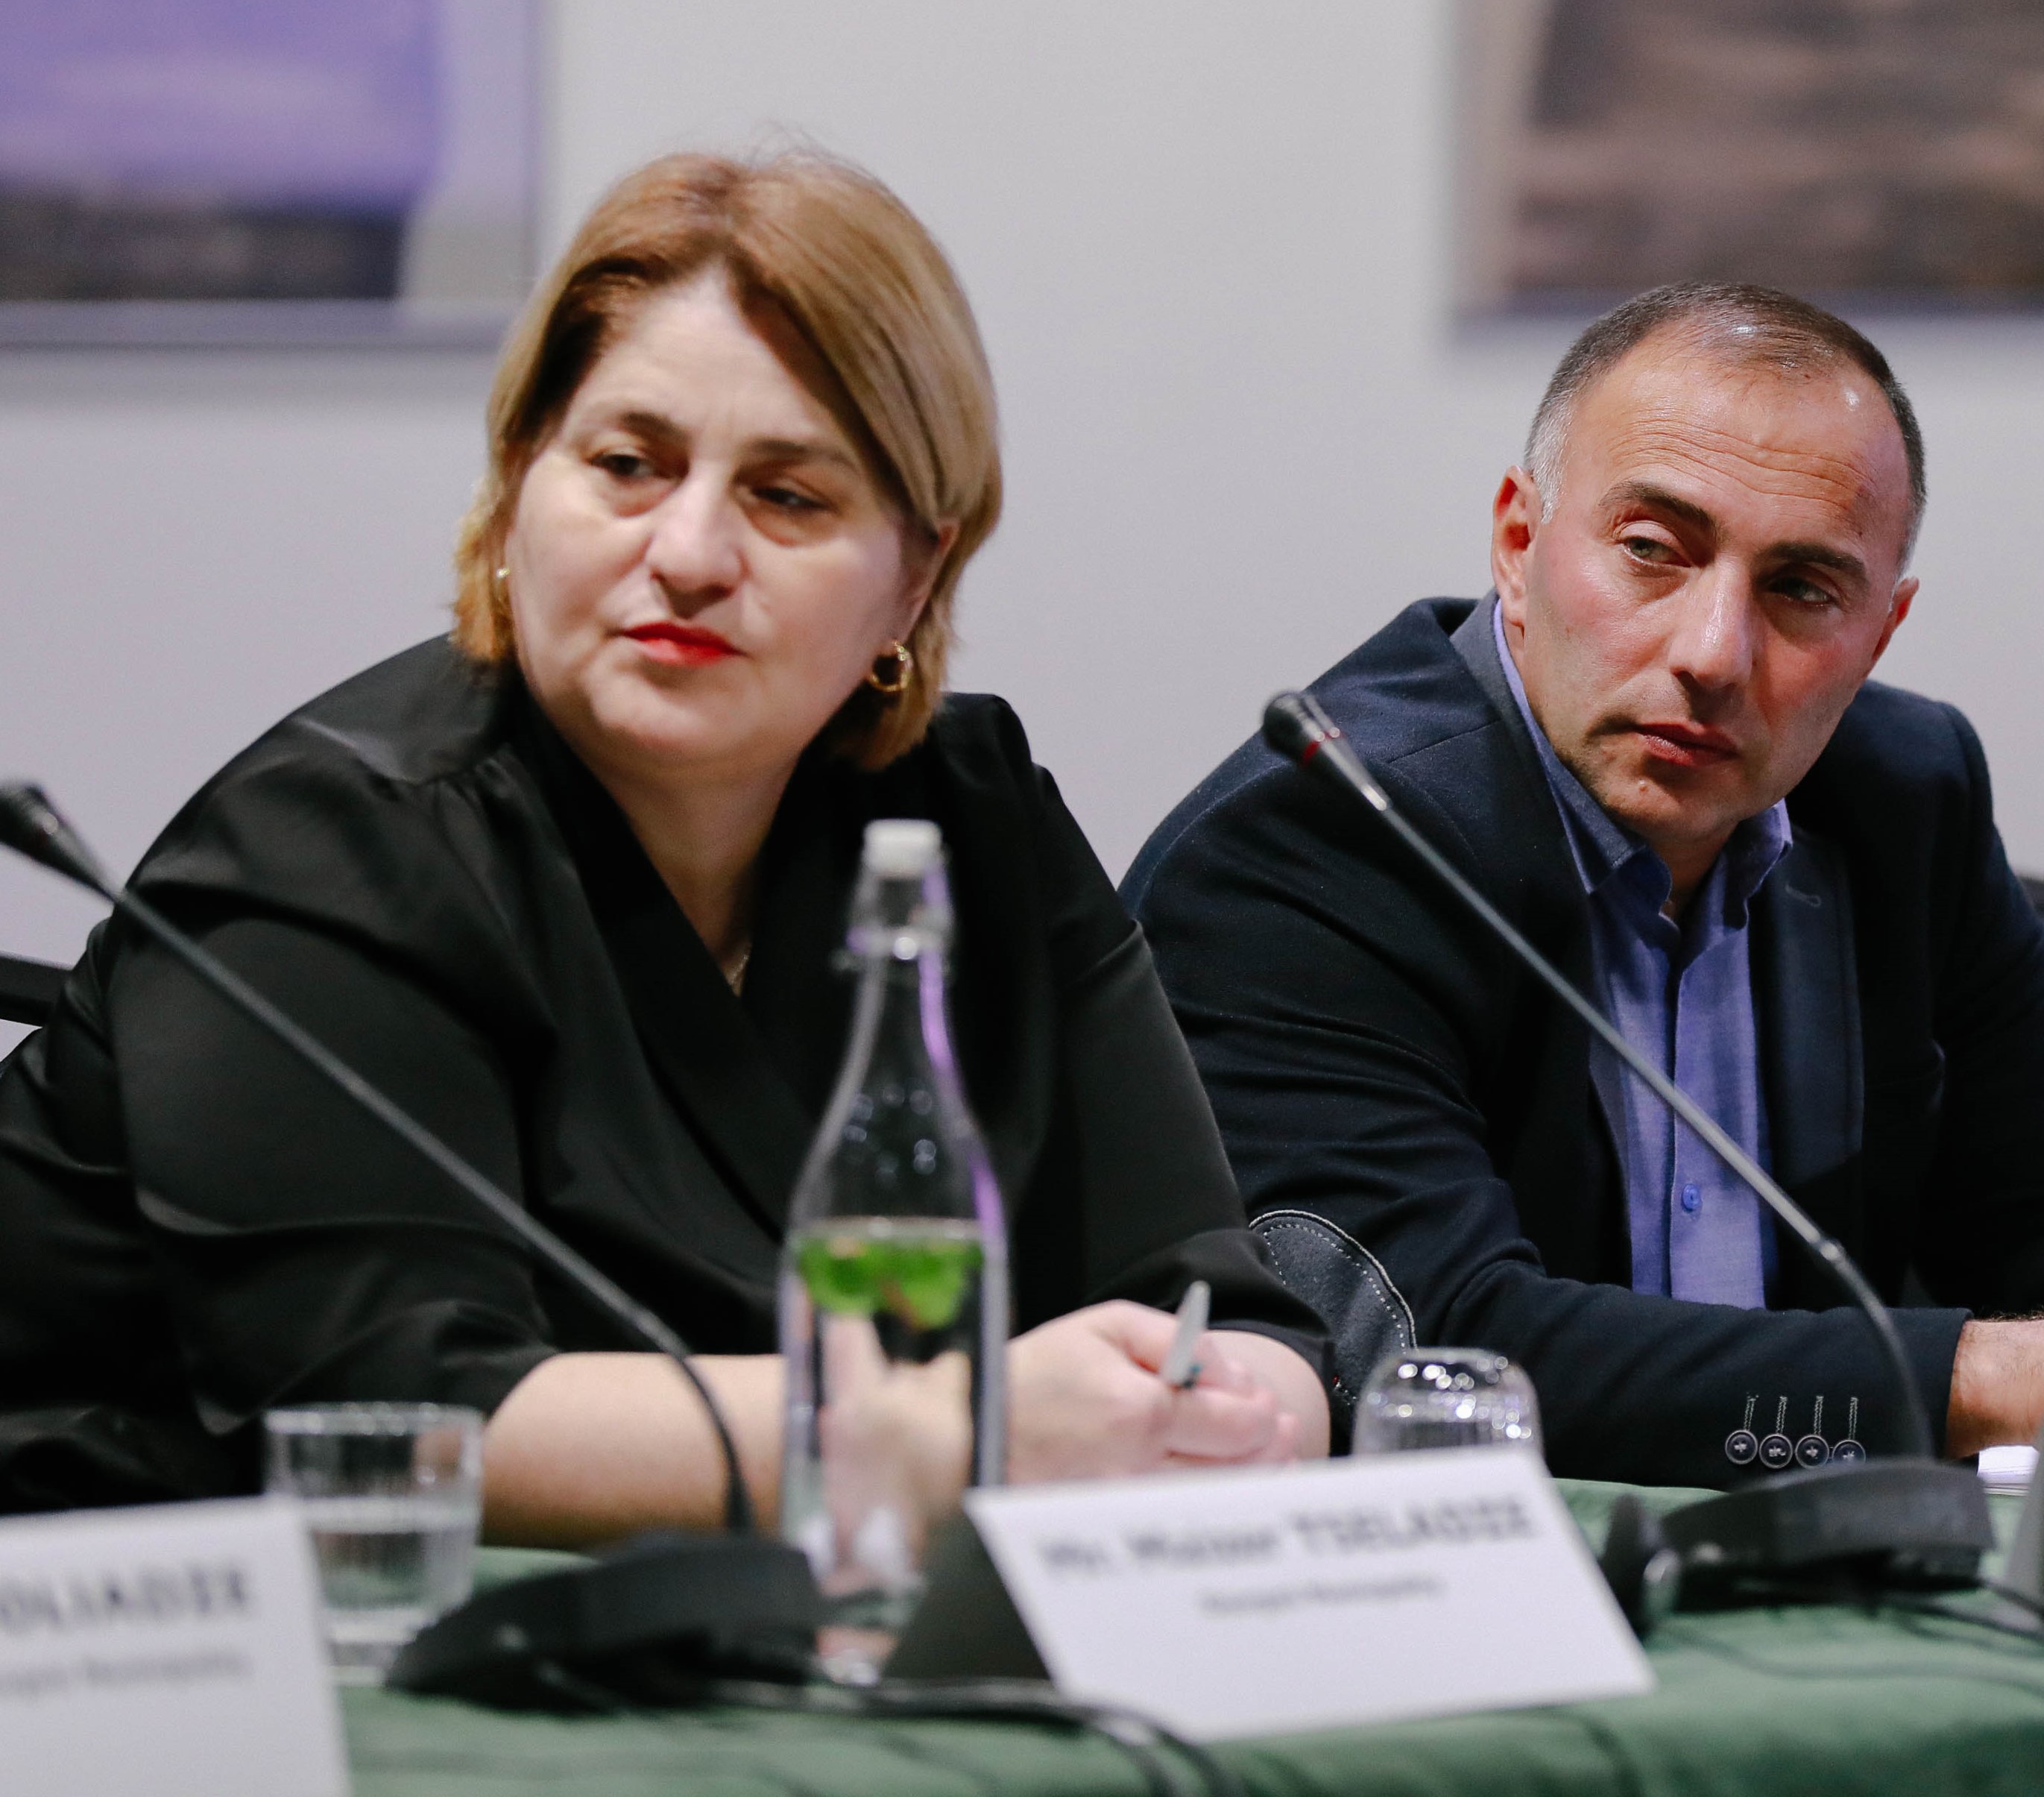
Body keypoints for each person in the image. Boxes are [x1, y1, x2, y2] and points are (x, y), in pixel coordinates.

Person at [0, 149, 1326, 1534]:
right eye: (629, 466)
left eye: (789, 496)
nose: (690, 553)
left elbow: (1221, 1305)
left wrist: (1240, 1412)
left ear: (915, 578)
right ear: (518, 481)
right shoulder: (326, 843)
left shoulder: (965, 818)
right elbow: (398, 1418)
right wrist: (960, 1432)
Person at [1124, 282, 2044, 1486]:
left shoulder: (1904, 796)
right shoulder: (1320, 840)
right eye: (1652, 550)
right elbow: (1446, 1350)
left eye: (1801, 589)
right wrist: (1987, 1377)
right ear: (1518, 544)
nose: (1714, 653)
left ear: (1882, 631)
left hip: (1827, 1564)